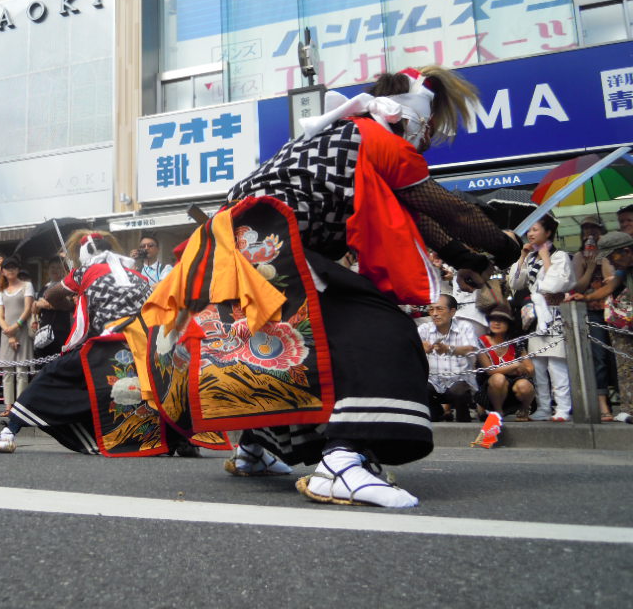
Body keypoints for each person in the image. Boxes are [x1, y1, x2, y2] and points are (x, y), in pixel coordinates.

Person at [138, 67, 522, 507]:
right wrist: (503, 245)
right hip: (267, 246)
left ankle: (255, 448)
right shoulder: (377, 139)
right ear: (411, 120)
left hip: (235, 248)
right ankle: (342, 462)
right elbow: (449, 211)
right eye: (430, 131)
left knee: (298, 349)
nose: (429, 142)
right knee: (381, 330)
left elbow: (422, 221)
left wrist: (469, 260)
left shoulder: (338, 138)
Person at [0, 231, 152, 454]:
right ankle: (178, 439)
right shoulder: (137, 274)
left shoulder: (85, 271)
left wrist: (73, 300)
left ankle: (9, 432)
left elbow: (51, 294)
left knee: (48, 378)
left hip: (106, 344)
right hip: (142, 347)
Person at [507, 214, 574, 421]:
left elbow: (554, 285)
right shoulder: (530, 257)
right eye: (530, 230)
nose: (531, 233)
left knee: (556, 364)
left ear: (548, 232)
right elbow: (515, 284)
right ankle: (544, 407)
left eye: (535, 229)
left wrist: (545, 256)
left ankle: (563, 407)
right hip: (535, 316)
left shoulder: (559, 255)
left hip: (553, 314)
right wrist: (522, 256)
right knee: (538, 366)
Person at [572, 231, 633, 423]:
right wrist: (587, 297)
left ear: (626, 251)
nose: (610, 263)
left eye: (611, 257)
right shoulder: (624, 270)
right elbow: (609, 287)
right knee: (625, 366)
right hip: (626, 325)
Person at [569, 216, 617, 421]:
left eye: (594, 229)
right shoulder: (579, 256)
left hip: (613, 309)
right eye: (586, 229)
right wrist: (589, 267)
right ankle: (602, 403)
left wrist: (602, 255)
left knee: (616, 356)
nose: (590, 234)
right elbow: (577, 286)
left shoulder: (612, 253)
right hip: (591, 310)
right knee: (598, 357)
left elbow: (613, 280)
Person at [419, 294, 479, 422]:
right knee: (420, 388)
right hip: (433, 381)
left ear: (452, 312)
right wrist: (420, 348)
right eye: (431, 309)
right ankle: (436, 414)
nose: (434, 314)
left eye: (439, 309)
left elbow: (471, 349)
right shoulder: (424, 329)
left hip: (459, 379)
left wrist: (449, 349)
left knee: (458, 391)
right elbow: (409, 350)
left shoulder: (465, 327)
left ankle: (464, 422)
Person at [474, 307, 535, 420]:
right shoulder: (481, 342)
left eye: (501, 320)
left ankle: (524, 409)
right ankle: (498, 412)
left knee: (524, 385)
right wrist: (515, 366)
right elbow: (490, 371)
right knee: (498, 378)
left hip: (514, 386)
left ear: (509, 324)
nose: (496, 323)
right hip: (490, 389)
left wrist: (522, 369)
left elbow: (530, 369)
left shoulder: (516, 342)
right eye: (493, 320)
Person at [0, 256, 35, 417]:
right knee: (7, 372)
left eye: (13, 267)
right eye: (7, 267)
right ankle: (8, 406)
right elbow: (0, 316)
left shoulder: (27, 285)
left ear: (18, 269)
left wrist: (16, 326)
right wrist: (9, 331)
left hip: (22, 331)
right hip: (6, 333)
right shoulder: (1, 291)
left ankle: (21, 406)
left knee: (21, 371)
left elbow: (27, 309)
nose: (10, 270)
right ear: (3, 271)